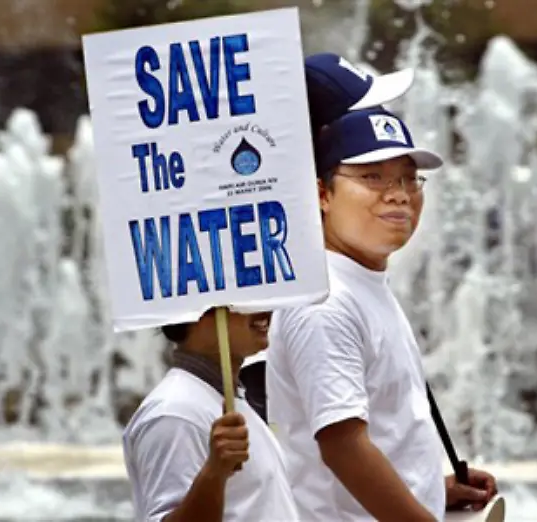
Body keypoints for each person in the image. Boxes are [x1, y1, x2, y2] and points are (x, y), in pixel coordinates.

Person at [265, 106, 499, 521]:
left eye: (409, 178)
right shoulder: (325, 301)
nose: (399, 193)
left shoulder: (362, 280)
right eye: (372, 176)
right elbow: (343, 447)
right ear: (322, 194)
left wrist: (430, 490)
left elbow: (380, 431)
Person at [239, 51, 416, 422]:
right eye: (371, 173)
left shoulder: (356, 266)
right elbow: (326, 450)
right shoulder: (308, 289)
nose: (378, 119)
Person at [123, 308, 298, 522]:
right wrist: (215, 472)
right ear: (196, 312)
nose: (264, 309)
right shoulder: (174, 413)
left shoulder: (226, 399)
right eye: (241, 297)